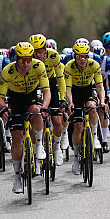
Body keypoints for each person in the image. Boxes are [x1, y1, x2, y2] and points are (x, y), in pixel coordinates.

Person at [0, 42, 50, 195]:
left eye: (29, 59)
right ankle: (17, 177)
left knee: (36, 110)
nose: (26, 64)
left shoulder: (38, 66)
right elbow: (0, 98)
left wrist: (44, 107)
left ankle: (38, 146)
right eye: (22, 60)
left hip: (32, 96)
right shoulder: (8, 71)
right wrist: (3, 108)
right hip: (15, 99)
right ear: (17, 59)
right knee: (17, 137)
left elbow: (46, 91)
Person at [63, 40, 106, 175]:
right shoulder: (69, 67)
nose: (83, 59)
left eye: (85, 56)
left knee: (92, 107)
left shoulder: (94, 65)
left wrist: (103, 101)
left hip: (88, 89)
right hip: (75, 92)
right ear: (75, 56)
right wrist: (70, 103)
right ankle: (76, 158)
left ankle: (95, 137)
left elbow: (100, 86)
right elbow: (68, 89)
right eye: (80, 56)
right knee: (78, 126)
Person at [29, 33, 68, 164]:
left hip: (50, 84)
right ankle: (36, 151)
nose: (37, 55)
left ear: (45, 49)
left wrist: (62, 98)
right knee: (35, 118)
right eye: (34, 52)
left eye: (40, 51)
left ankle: (57, 148)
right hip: (34, 85)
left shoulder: (53, 55)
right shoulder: (28, 59)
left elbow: (60, 79)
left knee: (57, 121)